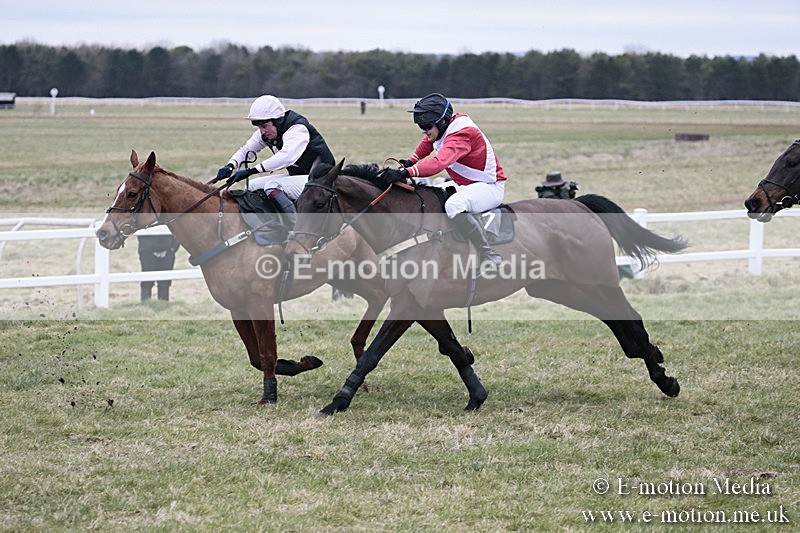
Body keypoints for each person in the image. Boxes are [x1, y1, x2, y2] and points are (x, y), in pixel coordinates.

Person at [379, 93, 505, 267]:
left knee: (453, 206)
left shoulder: (462, 135)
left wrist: (405, 172)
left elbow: (438, 163)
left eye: (426, 125)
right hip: (466, 184)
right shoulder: (446, 127)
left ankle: (489, 255)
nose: (423, 129)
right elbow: (428, 141)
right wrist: (410, 161)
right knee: (428, 195)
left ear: (442, 122)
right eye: (420, 125)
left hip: (489, 187)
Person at [212, 94, 336, 225]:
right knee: (252, 186)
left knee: (273, 186)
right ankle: (268, 225)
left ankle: (295, 227)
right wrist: (230, 165)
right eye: (259, 127)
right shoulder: (267, 132)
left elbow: (286, 157)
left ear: (278, 121)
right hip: (304, 178)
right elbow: (246, 150)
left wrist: (251, 171)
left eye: (264, 126)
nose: (262, 131)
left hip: (323, 181)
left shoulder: (298, 129)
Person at [137, 234, 180, 302]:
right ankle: (145, 306)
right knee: (147, 282)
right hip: (147, 252)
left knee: (165, 283)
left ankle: (164, 306)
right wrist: (146, 249)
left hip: (168, 251)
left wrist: (173, 248)